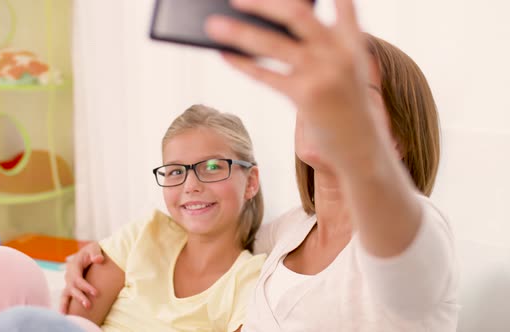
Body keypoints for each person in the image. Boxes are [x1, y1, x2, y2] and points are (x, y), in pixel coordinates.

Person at [62, 0, 459, 330]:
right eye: (320, 92)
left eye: (353, 96)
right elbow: (216, 233)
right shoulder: (290, 231)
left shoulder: (420, 228)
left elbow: (404, 256)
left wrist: (363, 163)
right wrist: (99, 255)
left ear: (399, 141)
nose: (326, 105)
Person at [0, 104, 266, 332]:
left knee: (16, 324)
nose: (191, 185)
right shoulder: (146, 233)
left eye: (211, 167)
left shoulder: (250, 281)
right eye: (176, 171)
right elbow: (76, 319)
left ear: (250, 181)